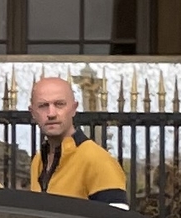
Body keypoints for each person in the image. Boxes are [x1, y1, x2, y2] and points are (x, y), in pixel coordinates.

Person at [23, 71, 128, 203]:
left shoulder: (98, 160)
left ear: (74, 108)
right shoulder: (38, 161)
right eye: (43, 106)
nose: (51, 113)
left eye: (59, 104)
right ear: (33, 112)